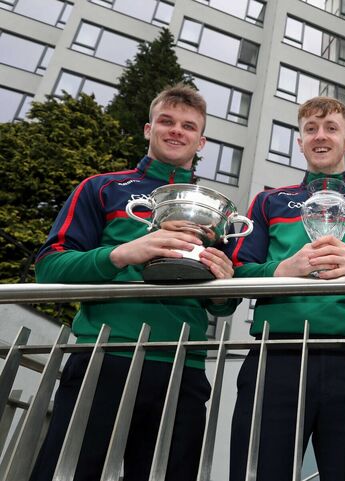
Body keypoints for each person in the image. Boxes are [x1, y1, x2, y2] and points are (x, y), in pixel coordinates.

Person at [32, 84, 238, 481]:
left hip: (184, 366)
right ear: (148, 129)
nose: (176, 131)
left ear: (201, 141)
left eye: (188, 126)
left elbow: (223, 305)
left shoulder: (216, 208)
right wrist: (124, 252)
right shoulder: (101, 187)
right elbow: (49, 269)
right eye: (167, 121)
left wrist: (225, 282)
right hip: (104, 356)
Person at [229, 96, 345, 481]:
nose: (320, 137)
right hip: (277, 355)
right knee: (259, 471)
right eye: (311, 129)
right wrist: (283, 269)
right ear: (300, 141)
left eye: (331, 128)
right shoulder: (269, 201)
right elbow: (237, 273)